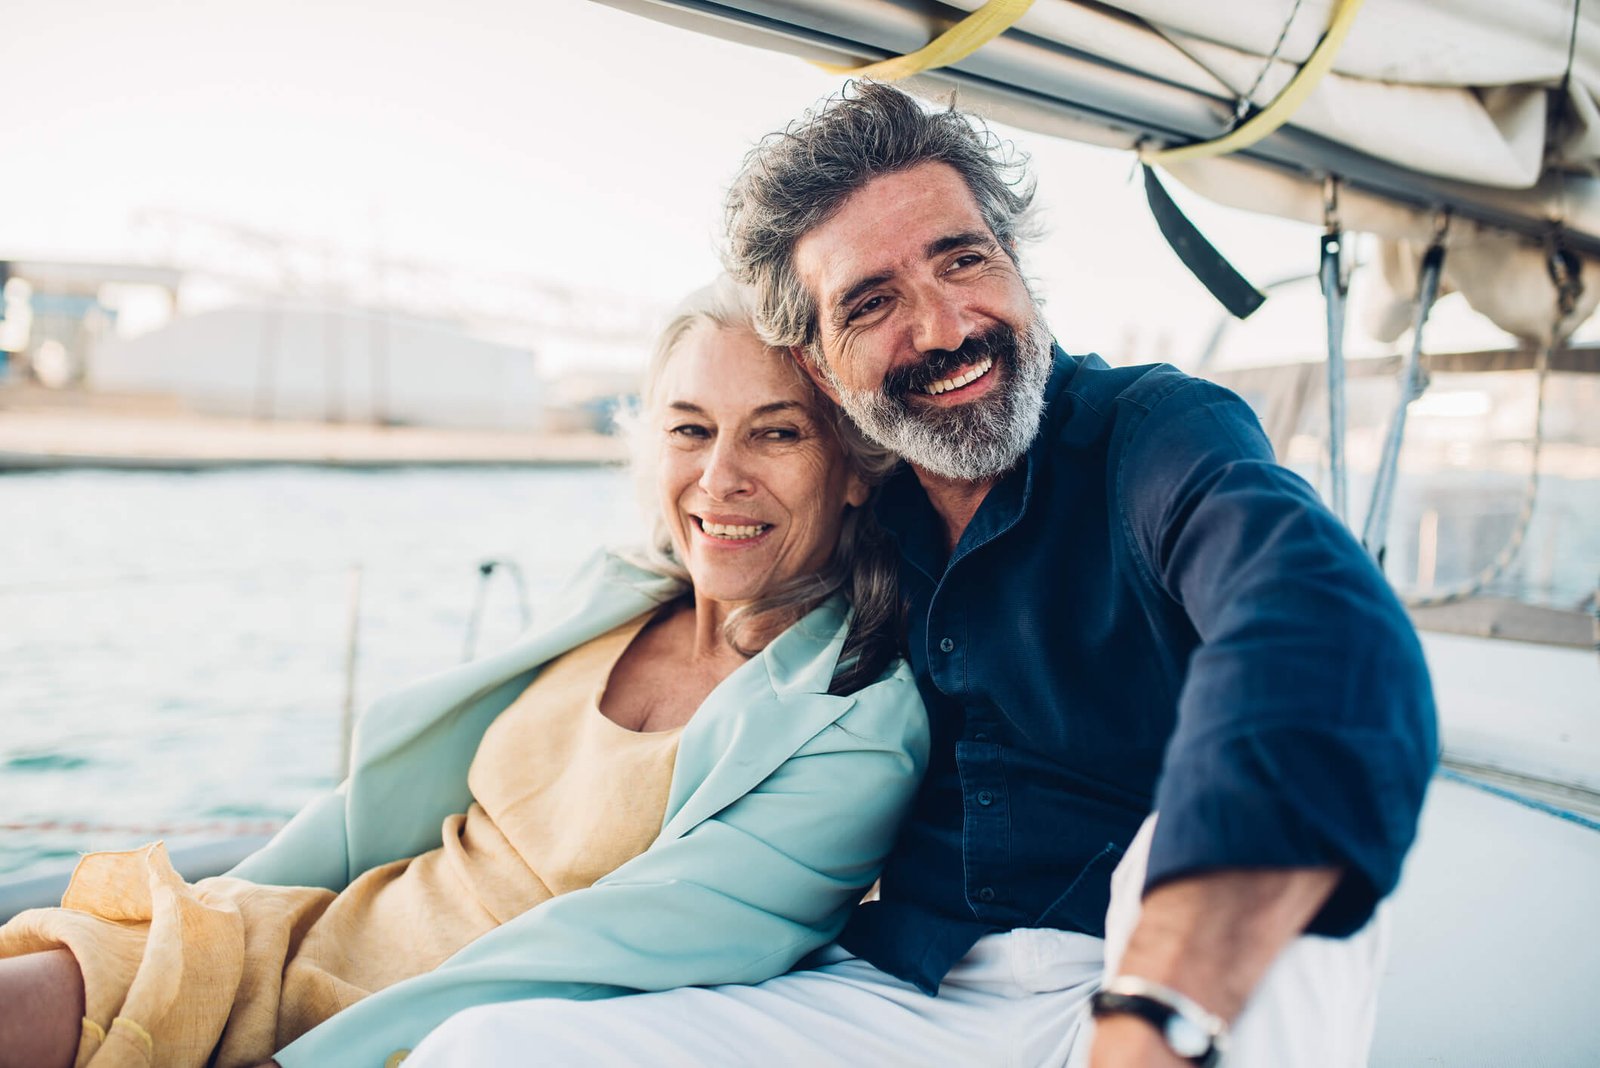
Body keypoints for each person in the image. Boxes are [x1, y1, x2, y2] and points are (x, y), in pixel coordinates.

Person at [409, 83, 1437, 1067]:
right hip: (904, 992)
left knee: (1276, 844)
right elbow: (719, 529)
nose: (944, 328)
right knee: (485, 1051)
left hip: (1154, 966)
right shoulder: (857, 504)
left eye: (963, 260)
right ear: (820, 367)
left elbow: (1317, 632)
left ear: (1017, 266)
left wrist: (1154, 1001)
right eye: (871, 303)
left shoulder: (1155, 437)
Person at [0, 275, 928, 1068]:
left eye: (776, 434)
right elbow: (362, 819)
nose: (719, 477)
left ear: (856, 468)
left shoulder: (856, 724)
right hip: (295, 939)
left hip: (423, 1038)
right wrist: (205, 917)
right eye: (691, 429)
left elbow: (599, 963)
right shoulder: (615, 596)